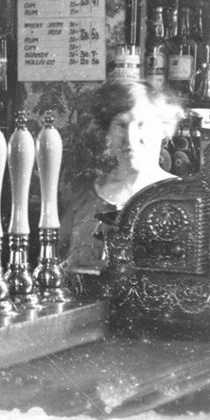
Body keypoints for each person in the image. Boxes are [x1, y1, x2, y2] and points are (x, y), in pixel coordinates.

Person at [58, 80, 181, 282]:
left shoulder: (179, 197)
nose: (130, 138)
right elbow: (61, 265)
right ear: (108, 134)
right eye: (121, 125)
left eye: (142, 124)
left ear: (164, 129)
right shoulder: (85, 197)